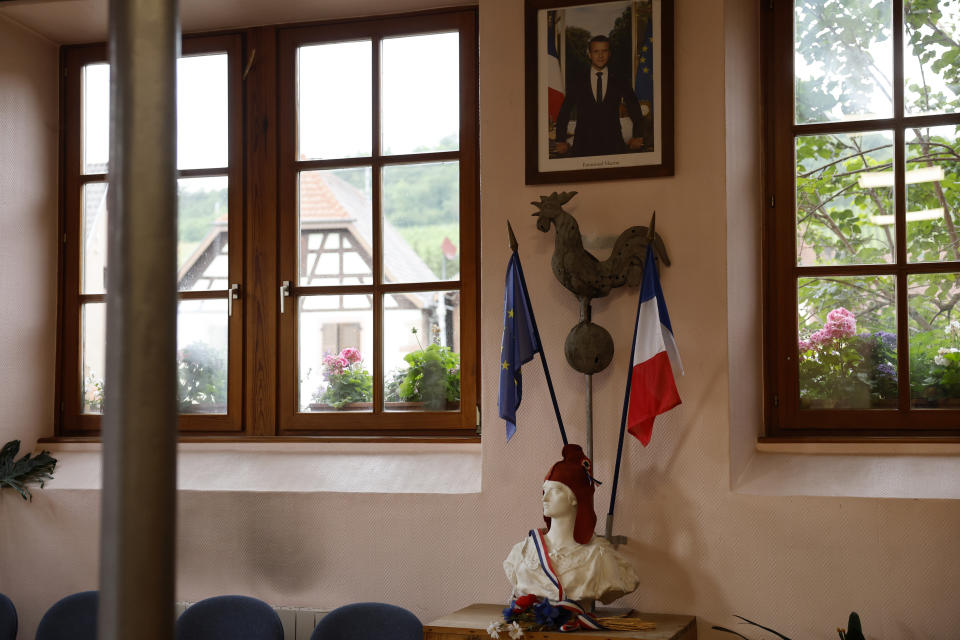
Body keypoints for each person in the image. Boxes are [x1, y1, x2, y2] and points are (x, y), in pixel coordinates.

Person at [503, 444, 639, 609]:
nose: (545, 499)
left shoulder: (599, 557)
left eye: (555, 491)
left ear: (575, 498)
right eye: (544, 491)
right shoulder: (522, 552)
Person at [553, 35, 650, 157]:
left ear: (609, 53)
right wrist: (560, 140)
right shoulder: (577, 80)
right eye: (596, 51)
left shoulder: (619, 79)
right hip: (583, 146)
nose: (600, 55)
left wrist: (638, 136)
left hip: (614, 145)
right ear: (589, 54)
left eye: (604, 51)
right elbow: (565, 111)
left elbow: (634, 107)